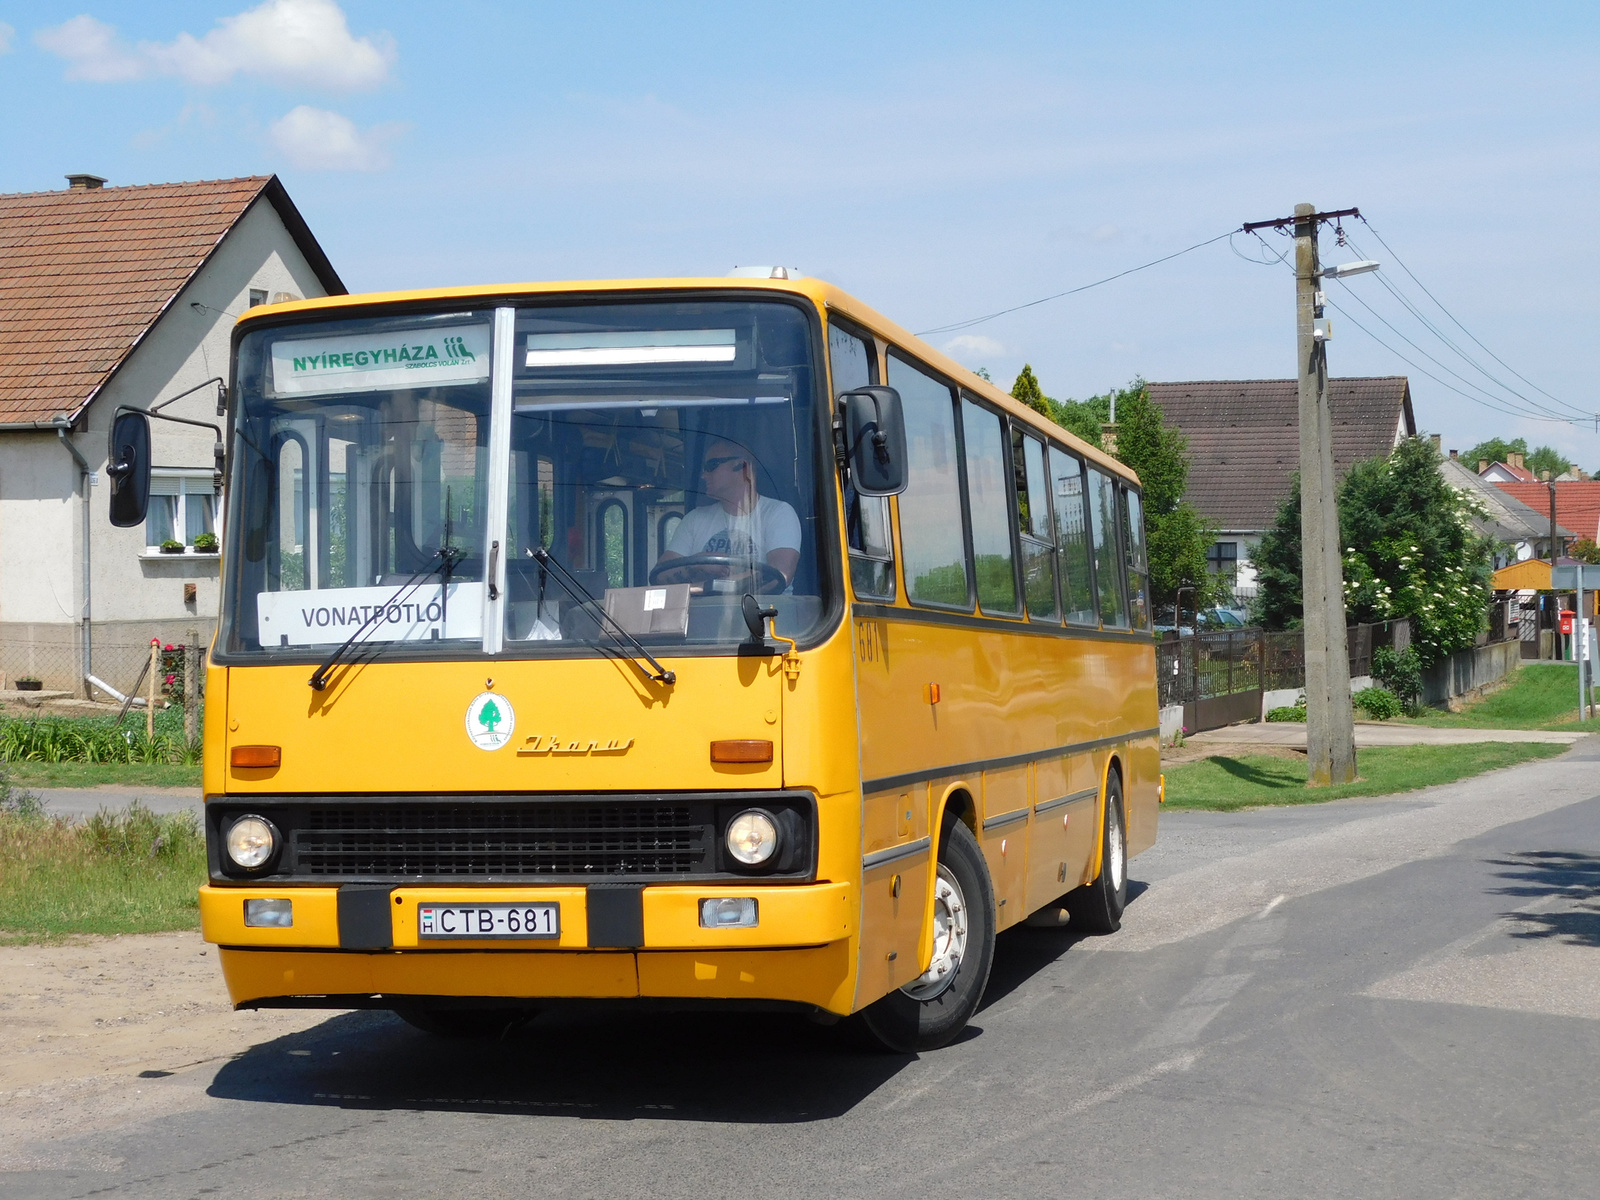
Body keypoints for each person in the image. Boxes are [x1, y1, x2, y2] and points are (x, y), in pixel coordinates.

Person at [657, 438, 800, 591]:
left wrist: (706, 587)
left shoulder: (778, 513)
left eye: (711, 466)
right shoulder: (694, 519)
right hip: (701, 614)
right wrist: (697, 564)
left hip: (762, 614)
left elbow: (778, 575)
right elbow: (660, 576)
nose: (703, 475)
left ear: (742, 466)